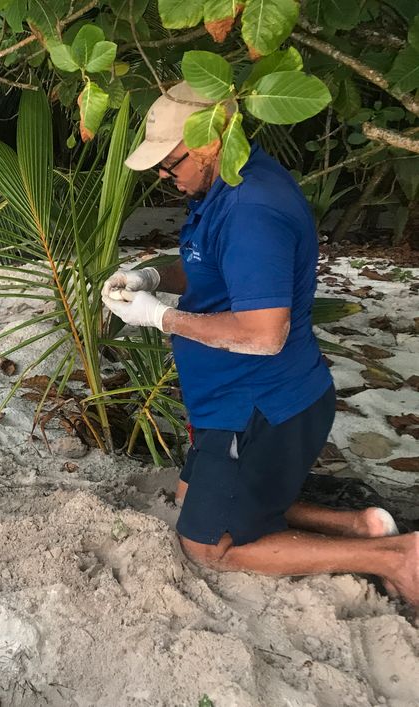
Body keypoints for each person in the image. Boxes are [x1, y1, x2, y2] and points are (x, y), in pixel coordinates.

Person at [101, 82, 418, 606]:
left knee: (207, 544)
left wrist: (160, 318)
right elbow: (210, 264)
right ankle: (359, 525)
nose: (163, 175)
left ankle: (394, 557)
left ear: (210, 142)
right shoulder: (226, 184)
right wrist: (152, 278)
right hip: (231, 397)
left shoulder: (251, 210)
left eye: (170, 163)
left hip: (259, 406)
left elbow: (263, 335)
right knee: (189, 494)